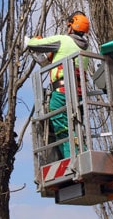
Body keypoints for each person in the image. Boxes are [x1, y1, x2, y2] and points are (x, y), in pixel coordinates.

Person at [27, 11, 90, 158]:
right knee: (76, 125)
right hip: (79, 93)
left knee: (61, 125)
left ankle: (72, 158)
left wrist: (36, 40)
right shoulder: (86, 48)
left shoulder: (63, 40)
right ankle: (83, 152)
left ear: (71, 27)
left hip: (62, 91)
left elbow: (33, 44)